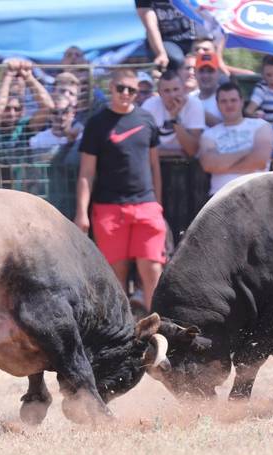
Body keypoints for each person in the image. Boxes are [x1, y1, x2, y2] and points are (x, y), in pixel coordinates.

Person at [75, 68, 165, 310]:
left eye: (132, 89)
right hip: (108, 208)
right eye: (121, 88)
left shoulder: (147, 120)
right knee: (116, 275)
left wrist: (158, 204)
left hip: (146, 205)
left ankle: (157, 332)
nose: (126, 93)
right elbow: (86, 172)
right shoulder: (96, 124)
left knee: (153, 268)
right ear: (111, 88)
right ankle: (124, 338)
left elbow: (154, 165)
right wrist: (82, 213)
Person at [198, 82, 273, 197]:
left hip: (256, 193)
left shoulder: (261, 125)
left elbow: (259, 160)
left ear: (241, 102)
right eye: (224, 101)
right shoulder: (209, 134)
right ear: (217, 104)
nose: (229, 104)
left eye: (233, 100)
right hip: (220, 197)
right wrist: (248, 152)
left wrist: (221, 166)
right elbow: (209, 164)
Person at [141, 70, 204, 156]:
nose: (172, 95)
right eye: (167, 91)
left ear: (184, 89)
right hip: (158, 160)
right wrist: (173, 153)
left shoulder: (194, 105)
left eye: (176, 89)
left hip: (186, 164)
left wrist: (175, 118)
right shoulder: (149, 105)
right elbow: (142, 148)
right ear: (159, 93)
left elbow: (192, 150)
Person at [135, 0, 196, 72]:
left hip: (193, 37)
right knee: (176, 60)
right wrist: (161, 53)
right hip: (166, 41)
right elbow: (151, 26)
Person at [28, 94, 82, 158]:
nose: (61, 117)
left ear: (73, 113)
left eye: (65, 112)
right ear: (49, 115)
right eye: (55, 112)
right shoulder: (38, 140)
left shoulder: (81, 138)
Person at [192, 52, 223, 127]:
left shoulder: (226, 97)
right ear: (195, 73)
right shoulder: (190, 98)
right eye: (201, 71)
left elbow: (230, 129)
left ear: (218, 73)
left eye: (210, 71)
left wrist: (197, 110)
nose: (205, 75)